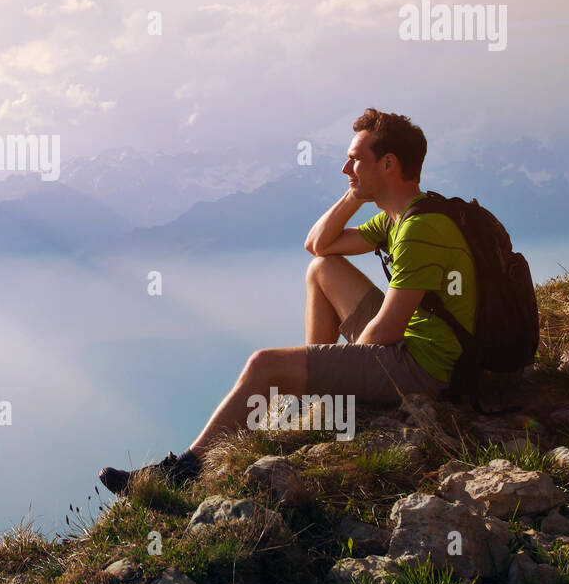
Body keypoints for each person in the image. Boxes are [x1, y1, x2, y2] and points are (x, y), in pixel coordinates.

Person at [98, 108, 477, 495]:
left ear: (389, 163)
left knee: (264, 364)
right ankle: (313, 396)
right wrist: (355, 193)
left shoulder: (420, 229)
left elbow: (388, 330)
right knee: (322, 269)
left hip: (427, 370)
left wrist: (340, 370)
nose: (346, 167)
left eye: (356, 159)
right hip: (412, 344)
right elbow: (319, 245)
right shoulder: (399, 218)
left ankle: (183, 473)